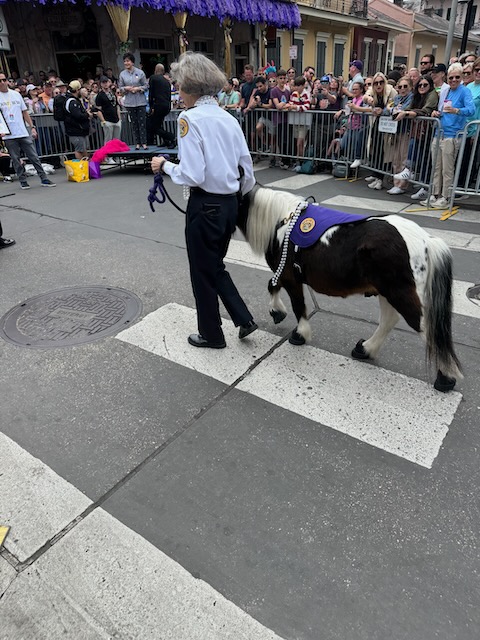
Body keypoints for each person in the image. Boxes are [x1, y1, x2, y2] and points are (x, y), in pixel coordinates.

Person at [151, 52, 257, 349]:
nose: (177, 92)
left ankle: (212, 334)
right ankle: (242, 317)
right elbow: (247, 171)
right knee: (213, 264)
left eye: (178, 86)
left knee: (201, 271)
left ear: (189, 86)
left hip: (205, 205)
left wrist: (165, 166)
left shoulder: (189, 118)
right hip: (230, 204)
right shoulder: (228, 118)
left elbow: (193, 174)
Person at [422, 63, 475, 208]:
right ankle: (434, 194)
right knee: (436, 167)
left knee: (447, 169)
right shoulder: (446, 91)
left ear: (461, 77)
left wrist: (457, 110)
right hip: (439, 132)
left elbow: (471, 110)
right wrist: (436, 113)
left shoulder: (465, 91)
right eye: (451, 77)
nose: (454, 80)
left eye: (457, 77)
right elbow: (442, 109)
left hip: (452, 135)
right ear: (447, 78)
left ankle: (445, 196)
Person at [0, 70, 56, 190]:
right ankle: (23, 180)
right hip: (9, 134)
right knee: (16, 159)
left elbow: (24, 112)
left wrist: (32, 127)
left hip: (22, 131)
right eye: (0, 81)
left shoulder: (16, 95)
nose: (2, 82)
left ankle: (44, 178)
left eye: (4, 80)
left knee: (34, 156)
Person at [393, 75, 439, 200]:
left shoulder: (432, 95)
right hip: (418, 131)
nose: (422, 87)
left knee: (426, 160)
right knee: (419, 154)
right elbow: (409, 108)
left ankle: (422, 184)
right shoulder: (417, 97)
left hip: (428, 131)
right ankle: (412, 173)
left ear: (430, 86)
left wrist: (407, 113)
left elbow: (426, 110)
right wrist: (403, 111)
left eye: (425, 85)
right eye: (420, 85)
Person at [118, 52, 148, 150]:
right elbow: (120, 88)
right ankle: (137, 143)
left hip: (140, 101)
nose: (126, 63)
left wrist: (138, 89)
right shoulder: (122, 74)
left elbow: (146, 86)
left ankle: (144, 142)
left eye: (128, 61)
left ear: (132, 62)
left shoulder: (140, 72)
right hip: (129, 102)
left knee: (142, 122)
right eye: (125, 61)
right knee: (134, 123)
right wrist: (126, 88)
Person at [147, 63, 175, 147]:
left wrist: (151, 106)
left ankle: (171, 137)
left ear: (155, 70)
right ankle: (166, 141)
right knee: (158, 124)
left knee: (153, 126)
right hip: (166, 105)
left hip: (158, 105)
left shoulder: (153, 78)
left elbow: (151, 93)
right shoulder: (167, 82)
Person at [63, 80, 92, 160]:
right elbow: (77, 115)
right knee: (79, 150)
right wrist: (87, 114)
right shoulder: (72, 102)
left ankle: (87, 166)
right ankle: (81, 166)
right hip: (75, 130)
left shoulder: (74, 100)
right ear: (77, 90)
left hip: (80, 130)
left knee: (84, 149)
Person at [96, 76, 121, 145]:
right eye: (103, 82)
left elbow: (117, 105)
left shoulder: (112, 93)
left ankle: (117, 151)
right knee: (108, 140)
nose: (105, 84)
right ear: (101, 84)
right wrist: (103, 121)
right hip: (107, 120)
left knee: (117, 140)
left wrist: (119, 118)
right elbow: (98, 110)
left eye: (106, 82)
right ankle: (108, 152)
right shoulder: (99, 95)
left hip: (116, 119)